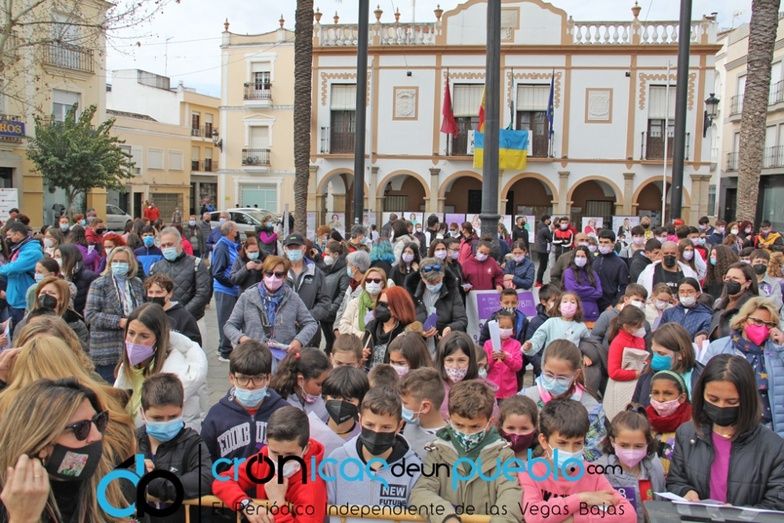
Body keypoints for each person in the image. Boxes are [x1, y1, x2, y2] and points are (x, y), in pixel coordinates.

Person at [0, 379, 130, 521]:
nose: (97, 435)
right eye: (81, 428)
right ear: (41, 445)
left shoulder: (116, 485)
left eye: (98, 421)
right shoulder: (8, 500)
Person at [666, 354, 784, 508]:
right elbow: (675, 481)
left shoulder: (774, 447)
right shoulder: (686, 434)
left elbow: (777, 503)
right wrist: (686, 492)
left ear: (747, 400)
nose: (721, 406)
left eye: (732, 401)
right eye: (713, 399)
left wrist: (739, 515)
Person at [410, 380, 523, 523]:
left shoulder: (503, 454)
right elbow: (422, 491)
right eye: (459, 425)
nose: (466, 432)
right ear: (449, 419)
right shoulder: (437, 451)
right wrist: (446, 517)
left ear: (490, 423)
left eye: (475, 426)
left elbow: (510, 494)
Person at [213, 404, 328, 522]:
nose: (282, 461)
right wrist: (246, 505)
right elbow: (222, 480)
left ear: (306, 448)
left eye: (290, 455)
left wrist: (278, 505)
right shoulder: (263, 459)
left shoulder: (313, 485)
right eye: (275, 453)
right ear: (267, 443)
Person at [325, 388, 422, 517]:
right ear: (360, 420)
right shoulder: (336, 460)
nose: (376, 432)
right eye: (370, 425)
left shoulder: (414, 467)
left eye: (386, 427)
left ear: (399, 426)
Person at [114, 303, 208, 431]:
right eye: (131, 333)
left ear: (158, 338)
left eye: (144, 336)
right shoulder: (128, 366)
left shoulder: (176, 372)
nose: (134, 341)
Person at [700, 297, 784, 435]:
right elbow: (701, 384)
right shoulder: (718, 348)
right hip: (729, 426)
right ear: (743, 320)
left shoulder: (777, 350)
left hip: (769, 430)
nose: (763, 327)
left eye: (769, 324)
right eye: (758, 322)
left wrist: (782, 347)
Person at [136, 373, 212, 516]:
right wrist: (135, 471)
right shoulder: (131, 441)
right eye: (157, 418)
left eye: (172, 417)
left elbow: (204, 478)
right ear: (142, 413)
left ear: (182, 410)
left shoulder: (192, 442)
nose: (165, 423)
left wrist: (155, 484)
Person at [225, 255, 319, 370]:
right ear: (263, 274)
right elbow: (229, 326)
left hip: (283, 362)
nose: (273, 278)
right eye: (269, 273)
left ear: (284, 277)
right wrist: (243, 339)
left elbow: (311, 323)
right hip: (253, 360)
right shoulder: (247, 297)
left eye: (278, 274)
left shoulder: (293, 298)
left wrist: (298, 341)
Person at [201, 340, 288, 464]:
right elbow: (205, 459)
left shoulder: (284, 412)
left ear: (268, 378)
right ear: (232, 378)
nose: (250, 385)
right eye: (243, 378)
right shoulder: (216, 416)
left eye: (258, 378)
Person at [520, 340, 607, 461]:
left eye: (562, 377)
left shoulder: (591, 408)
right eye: (549, 375)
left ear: (576, 374)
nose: (554, 381)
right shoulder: (527, 399)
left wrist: (569, 457)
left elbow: (595, 450)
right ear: (542, 367)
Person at [84, 246, 144, 383]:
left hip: (133, 348)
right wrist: (119, 321)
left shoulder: (137, 283)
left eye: (123, 261)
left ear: (130, 264)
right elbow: (91, 315)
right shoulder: (99, 284)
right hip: (106, 349)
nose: (118, 264)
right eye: (115, 261)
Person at [596, 407, 665, 521]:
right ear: (613, 441)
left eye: (638, 446)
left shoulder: (654, 468)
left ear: (647, 443)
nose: (631, 451)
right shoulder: (600, 471)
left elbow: (661, 504)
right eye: (624, 445)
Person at [406, 257, 467, 358]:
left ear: (443, 276)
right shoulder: (412, 293)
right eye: (430, 282)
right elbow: (404, 322)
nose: (434, 285)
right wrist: (418, 331)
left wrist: (450, 328)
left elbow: (462, 320)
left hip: (444, 349)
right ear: (422, 278)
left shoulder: (452, 292)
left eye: (438, 281)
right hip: (418, 349)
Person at [148, 227, 212, 321]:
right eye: (163, 245)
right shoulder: (155, 268)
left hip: (191, 320)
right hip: (164, 320)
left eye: (170, 244)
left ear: (180, 243)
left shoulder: (197, 264)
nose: (166, 248)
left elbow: (202, 294)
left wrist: (181, 314)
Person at [633, 322, 702, 405]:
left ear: (681, 354)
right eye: (654, 352)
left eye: (661, 353)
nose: (655, 358)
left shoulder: (699, 379)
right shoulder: (647, 373)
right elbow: (635, 405)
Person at [282, 233, 331, 348]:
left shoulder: (316, 272)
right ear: (285, 249)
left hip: (309, 333)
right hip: (283, 332)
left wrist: (307, 317)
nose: (293, 250)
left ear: (304, 248)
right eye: (290, 248)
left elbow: (325, 302)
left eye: (296, 247)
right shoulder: (278, 271)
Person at [15, 276, 88, 349]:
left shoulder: (76, 325)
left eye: (51, 293)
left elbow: (82, 352)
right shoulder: (25, 324)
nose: (46, 296)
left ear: (61, 299)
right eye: (43, 293)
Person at [644, 371, 693, 474]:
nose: (661, 399)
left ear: (682, 398)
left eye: (668, 393)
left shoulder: (692, 424)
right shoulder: (643, 421)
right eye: (656, 393)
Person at [604, 306, 648, 419]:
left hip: (636, 386)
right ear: (626, 327)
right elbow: (613, 372)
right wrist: (635, 374)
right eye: (638, 326)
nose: (641, 328)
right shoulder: (618, 343)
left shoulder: (640, 339)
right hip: (620, 388)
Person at [316, 365, 368, 456]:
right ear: (325, 397)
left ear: (360, 402)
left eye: (348, 400)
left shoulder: (363, 438)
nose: (340, 404)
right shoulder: (312, 430)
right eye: (334, 397)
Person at [270, 347, 331, 422]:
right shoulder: (279, 403)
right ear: (301, 380)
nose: (324, 388)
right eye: (319, 384)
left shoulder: (325, 400)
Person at [361, 286, 416, 369]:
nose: (379, 308)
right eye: (379, 303)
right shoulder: (371, 327)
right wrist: (361, 356)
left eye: (384, 305)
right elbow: (362, 355)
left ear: (398, 306)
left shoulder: (406, 332)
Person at [1, 221, 43, 328]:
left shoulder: (32, 251)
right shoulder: (19, 249)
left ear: (18, 234)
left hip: (23, 301)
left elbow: (14, 268)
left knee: (21, 330)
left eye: (9, 235)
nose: (7, 238)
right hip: (15, 300)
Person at [523, 292, 591, 357]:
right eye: (565, 301)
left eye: (572, 302)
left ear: (577, 308)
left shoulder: (581, 326)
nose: (569, 305)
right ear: (559, 307)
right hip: (551, 361)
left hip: (572, 362)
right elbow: (538, 338)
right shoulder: (551, 322)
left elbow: (588, 344)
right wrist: (530, 346)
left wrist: (586, 355)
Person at [400, 368, 447, 459]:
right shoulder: (410, 424)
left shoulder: (444, 446)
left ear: (425, 407)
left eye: (405, 403)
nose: (401, 406)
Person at [144, 273, 201, 344]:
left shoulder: (184, 317)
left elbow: (194, 344)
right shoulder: (144, 314)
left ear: (170, 294)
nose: (154, 296)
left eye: (159, 292)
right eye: (150, 292)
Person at [212, 220, 241, 361]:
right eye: (236, 230)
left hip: (232, 289)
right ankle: (225, 351)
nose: (238, 232)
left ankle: (222, 347)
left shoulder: (231, 245)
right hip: (225, 290)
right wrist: (233, 281)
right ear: (230, 232)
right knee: (225, 320)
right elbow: (217, 272)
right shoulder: (222, 247)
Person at [709, 262, 759, 341]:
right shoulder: (719, 304)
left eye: (735, 278)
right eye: (727, 277)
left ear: (748, 283)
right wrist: (702, 333)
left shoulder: (754, 306)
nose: (729, 281)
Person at [483, 310, 523, 401]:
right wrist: (492, 359)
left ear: (513, 329)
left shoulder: (516, 344)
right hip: (491, 391)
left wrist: (506, 358)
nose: (505, 329)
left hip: (510, 392)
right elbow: (484, 368)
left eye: (508, 327)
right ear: (495, 328)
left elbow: (518, 366)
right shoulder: (488, 344)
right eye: (501, 327)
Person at [338, 267, 387, 338]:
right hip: (358, 343)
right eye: (369, 280)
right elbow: (343, 326)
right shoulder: (355, 303)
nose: (372, 283)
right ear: (365, 282)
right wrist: (362, 335)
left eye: (376, 280)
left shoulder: (388, 305)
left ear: (383, 283)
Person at [660, 277, 712, 342]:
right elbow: (660, 333)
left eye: (690, 292)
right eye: (682, 292)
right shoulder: (668, 313)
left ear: (698, 294)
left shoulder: (706, 316)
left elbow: (706, 330)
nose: (685, 295)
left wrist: (702, 334)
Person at [332, 250, 371, 335]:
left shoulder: (368, 288)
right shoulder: (352, 284)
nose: (347, 267)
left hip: (354, 334)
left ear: (356, 268)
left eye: (349, 264)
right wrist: (336, 328)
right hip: (343, 330)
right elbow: (342, 306)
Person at [320, 240, 349, 353]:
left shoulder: (343, 271)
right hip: (324, 313)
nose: (325, 256)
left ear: (336, 254)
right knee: (329, 342)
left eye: (327, 254)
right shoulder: (327, 268)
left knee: (334, 344)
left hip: (333, 315)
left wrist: (331, 309)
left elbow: (343, 293)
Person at [55, 244, 99, 317]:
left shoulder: (88, 276)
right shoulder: (58, 277)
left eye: (58, 256)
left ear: (69, 257)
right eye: (54, 256)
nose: (55, 259)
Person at [562, 246, 603, 322]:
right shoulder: (569, 272)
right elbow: (573, 290)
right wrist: (591, 289)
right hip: (575, 312)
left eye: (583, 256)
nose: (580, 258)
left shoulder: (593, 273)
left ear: (587, 258)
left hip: (592, 313)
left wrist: (581, 293)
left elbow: (599, 293)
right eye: (577, 256)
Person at [593, 230, 630, 311]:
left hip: (609, 305)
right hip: (593, 303)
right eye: (600, 242)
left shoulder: (620, 264)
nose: (603, 245)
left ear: (613, 243)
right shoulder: (594, 260)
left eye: (606, 242)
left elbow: (624, 287)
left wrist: (614, 304)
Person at [496, 395, 539, 460]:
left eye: (524, 428)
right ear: (501, 426)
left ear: (535, 427)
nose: (517, 434)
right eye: (511, 428)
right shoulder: (491, 455)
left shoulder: (545, 457)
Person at [533, 215, 553, 287]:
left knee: (541, 265)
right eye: (549, 220)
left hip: (539, 248)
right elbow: (550, 238)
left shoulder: (540, 226)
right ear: (546, 220)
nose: (550, 221)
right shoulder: (545, 229)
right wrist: (552, 232)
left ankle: (539, 281)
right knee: (543, 266)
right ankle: (539, 281)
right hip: (543, 249)